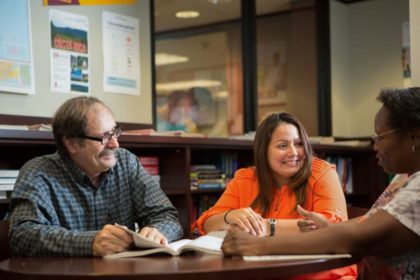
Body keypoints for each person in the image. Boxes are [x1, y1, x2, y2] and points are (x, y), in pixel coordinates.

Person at [222, 87, 420, 279]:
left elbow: (359, 238)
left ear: (414, 136)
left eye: (380, 137)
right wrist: (328, 230)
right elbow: (366, 227)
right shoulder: (404, 179)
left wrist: (257, 246)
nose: (374, 146)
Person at [8, 96, 183, 257]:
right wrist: (89, 243)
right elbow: (22, 235)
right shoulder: (38, 172)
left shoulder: (126, 162)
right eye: (104, 137)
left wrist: (157, 231)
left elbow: (166, 216)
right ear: (71, 143)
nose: (115, 144)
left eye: (115, 132)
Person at [195, 112, 356, 279]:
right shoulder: (245, 178)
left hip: (324, 275)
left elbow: (331, 226)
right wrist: (230, 216)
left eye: (299, 144)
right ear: (263, 150)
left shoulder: (322, 173)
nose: (294, 153)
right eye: (282, 146)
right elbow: (207, 223)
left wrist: (268, 226)